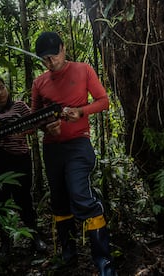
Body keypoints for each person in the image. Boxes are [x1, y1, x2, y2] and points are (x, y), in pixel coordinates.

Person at [32, 31, 116, 275]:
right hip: (52, 147)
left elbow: (104, 101)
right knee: (59, 201)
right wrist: (46, 125)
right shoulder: (39, 82)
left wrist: (81, 112)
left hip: (79, 144)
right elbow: (34, 118)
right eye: (45, 59)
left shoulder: (83, 70)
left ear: (63, 48)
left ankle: (104, 264)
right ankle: (68, 256)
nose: (51, 63)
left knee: (81, 196)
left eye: (54, 56)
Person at [0, 75, 47, 256]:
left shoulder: (20, 106)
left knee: (24, 199)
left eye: (2, 87)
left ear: (6, 87)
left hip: (19, 159)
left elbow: (33, 125)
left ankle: (35, 238)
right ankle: (5, 244)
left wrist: (20, 133)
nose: (0, 93)